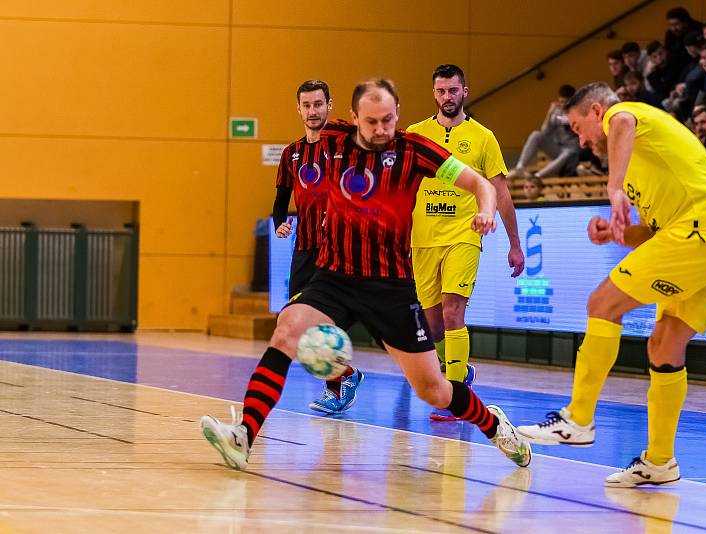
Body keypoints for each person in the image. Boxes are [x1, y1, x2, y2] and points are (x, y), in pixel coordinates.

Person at [200, 79, 532, 471]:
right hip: (335, 276)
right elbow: (312, 112)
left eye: (388, 119)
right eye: (371, 121)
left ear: (398, 114)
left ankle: (494, 425)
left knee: (433, 390)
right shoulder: (333, 139)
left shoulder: (414, 150)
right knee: (287, 329)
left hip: (389, 286)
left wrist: (486, 210)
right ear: (353, 118)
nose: (381, 130)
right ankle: (244, 436)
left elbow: (479, 183)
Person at [518, 82, 706, 487]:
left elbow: (622, 120)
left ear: (596, 111)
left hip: (698, 235)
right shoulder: (646, 160)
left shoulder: (623, 116)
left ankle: (578, 419)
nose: (581, 139)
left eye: (578, 127)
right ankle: (660, 462)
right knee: (664, 345)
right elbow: (655, 235)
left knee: (602, 304)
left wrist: (613, 188)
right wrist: (614, 234)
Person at [405, 64, 524, 420]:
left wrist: (514, 243)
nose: (447, 97)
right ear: (434, 93)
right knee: (433, 327)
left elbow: (500, 192)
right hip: (423, 240)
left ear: (465, 91)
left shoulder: (483, 137)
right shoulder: (415, 134)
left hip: (464, 235)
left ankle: (454, 396)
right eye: (441, 91)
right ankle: (462, 370)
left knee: (453, 312)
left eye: (453, 91)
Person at [273, 81, 367, 415]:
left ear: (329, 105)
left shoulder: (345, 144)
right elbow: (280, 201)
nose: (313, 111)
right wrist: (280, 223)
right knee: (296, 321)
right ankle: (347, 375)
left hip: (337, 249)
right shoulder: (292, 153)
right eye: (307, 105)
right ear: (298, 109)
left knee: (326, 320)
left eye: (318, 104)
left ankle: (335, 388)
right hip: (305, 248)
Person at [513, 84, 580, 178]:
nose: (563, 105)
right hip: (557, 148)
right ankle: (519, 167)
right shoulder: (556, 112)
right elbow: (544, 131)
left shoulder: (579, 111)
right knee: (536, 135)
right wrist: (549, 113)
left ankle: (537, 176)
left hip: (571, 150)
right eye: (561, 101)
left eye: (566, 102)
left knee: (568, 152)